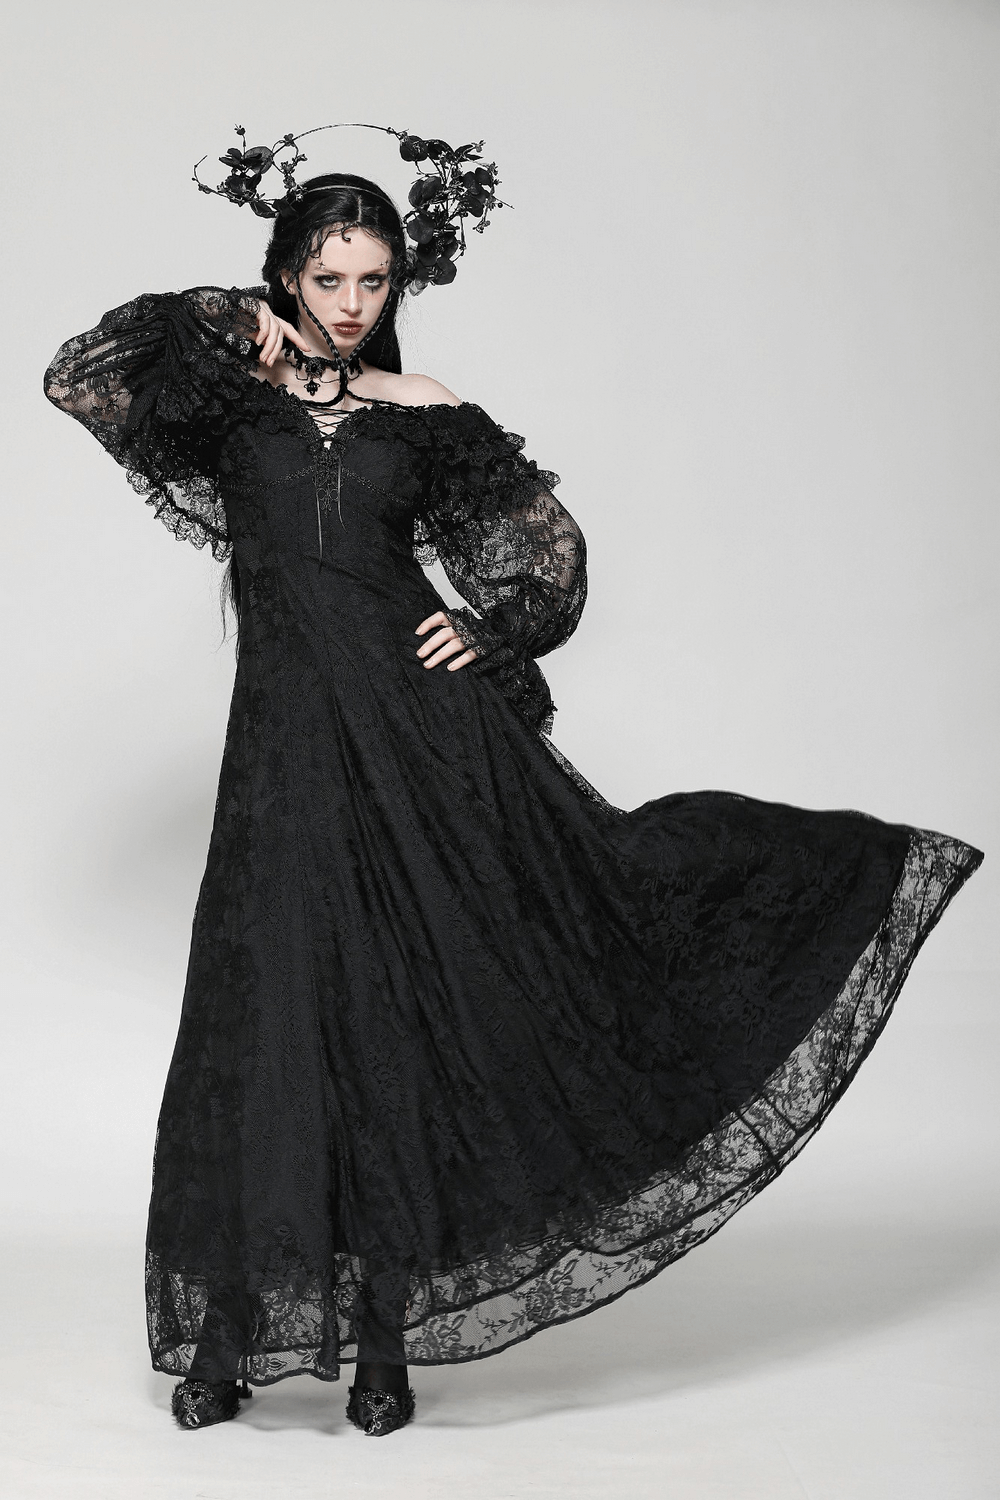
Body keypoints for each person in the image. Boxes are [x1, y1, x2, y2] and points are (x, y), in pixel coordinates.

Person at [43, 125, 982, 1439]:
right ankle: (226, 1337)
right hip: (282, 760)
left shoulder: (427, 410)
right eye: (327, 278)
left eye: (374, 279)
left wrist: (491, 633)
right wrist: (225, 321)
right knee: (264, 1022)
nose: (352, 304)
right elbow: (82, 374)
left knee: (395, 1025)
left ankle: (382, 1344)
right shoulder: (225, 405)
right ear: (288, 276)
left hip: (418, 747)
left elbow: (546, 565)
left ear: (399, 284)